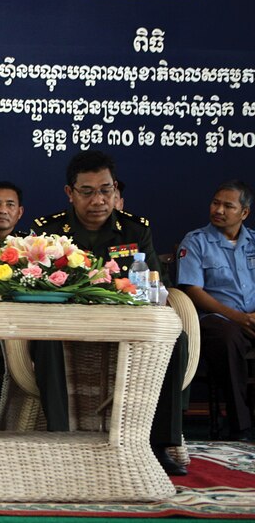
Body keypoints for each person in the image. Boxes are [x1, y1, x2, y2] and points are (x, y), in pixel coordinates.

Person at [33, 150, 189, 475]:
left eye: (105, 190)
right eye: (87, 192)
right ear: (69, 193)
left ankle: (160, 443)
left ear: (115, 189)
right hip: (66, 323)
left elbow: (157, 284)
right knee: (42, 338)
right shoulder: (49, 231)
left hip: (124, 323)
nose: (99, 200)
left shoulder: (135, 231)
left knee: (176, 339)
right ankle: (60, 437)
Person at [176, 180, 255, 441]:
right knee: (227, 336)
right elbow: (193, 291)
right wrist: (239, 318)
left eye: (227, 206)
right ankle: (240, 426)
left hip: (251, 318)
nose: (218, 209)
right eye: (215, 203)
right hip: (216, 321)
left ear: (244, 213)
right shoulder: (196, 241)